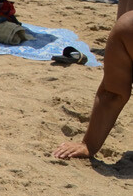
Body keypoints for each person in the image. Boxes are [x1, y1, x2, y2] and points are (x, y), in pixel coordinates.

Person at [53, 13, 133, 161]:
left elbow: (113, 94)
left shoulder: (127, 26)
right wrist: (88, 145)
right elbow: (112, 93)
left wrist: (89, 145)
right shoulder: (127, 27)